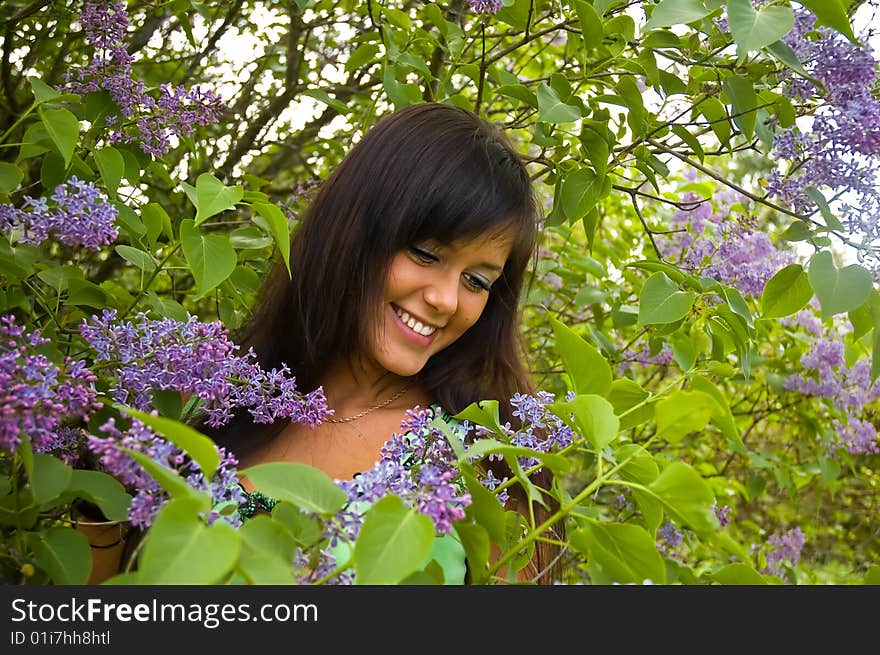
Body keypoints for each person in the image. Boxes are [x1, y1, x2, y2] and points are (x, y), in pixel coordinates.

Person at [204, 101, 561, 584]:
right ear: (355, 229)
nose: (445, 300)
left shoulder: (484, 465)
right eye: (425, 253)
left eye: (477, 281)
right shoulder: (219, 402)